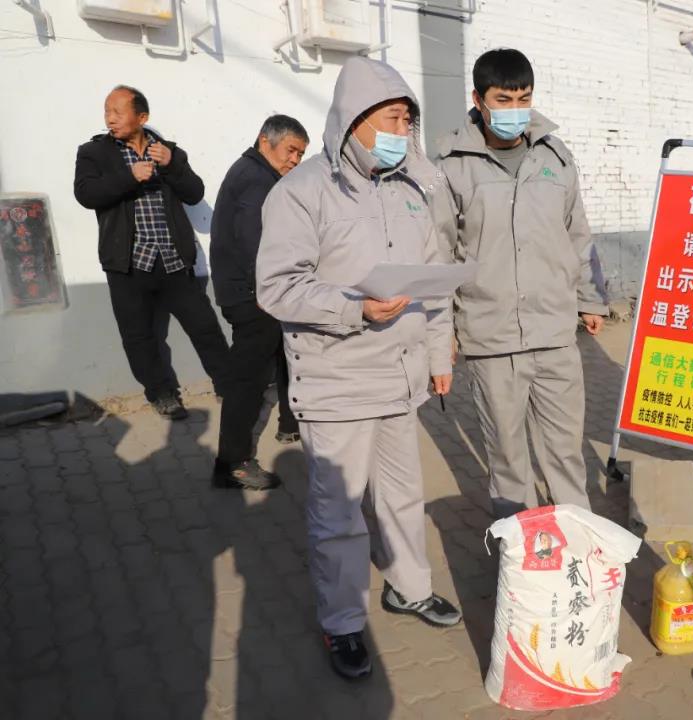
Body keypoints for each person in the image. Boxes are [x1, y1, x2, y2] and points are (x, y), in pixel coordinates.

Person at [256, 57, 462, 681]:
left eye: (408, 119)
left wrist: (437, 352)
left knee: (403, 495)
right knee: (339, 515)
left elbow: (431, 281)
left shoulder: (410, 190)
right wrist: (353, 308)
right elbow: (277, 287)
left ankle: (408, 586)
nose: (403, 129)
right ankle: (343, 622)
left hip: (400, 377)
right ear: (354, 120)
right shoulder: (300, 191)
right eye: (393, 117)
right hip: (337, 381)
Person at [435, 48, 608, 520]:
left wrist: (591, 299)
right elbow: (441, 253)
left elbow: (578, 233)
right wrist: (441, 332)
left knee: (565, 455)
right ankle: (526, 568)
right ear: (479, 98)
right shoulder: (452, 166)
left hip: (554, 333)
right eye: (504, 99)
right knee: (508, 462)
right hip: (492, 339)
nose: (515, 109)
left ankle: (577, 559)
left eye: (524, 98)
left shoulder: (555, 156)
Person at [75, 85, 229, 419]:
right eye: (107, 112)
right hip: (128, 264)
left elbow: (194, 192)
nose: (110, 119)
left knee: (204, 326)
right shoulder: (94, 153)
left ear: (141, 117)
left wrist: (172, 165)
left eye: (117, 112)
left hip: (174, 260)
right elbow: (86, 194)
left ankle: (228, 386)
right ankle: (161, 395)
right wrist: (129, 176)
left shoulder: (168, 151)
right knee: (139, 335)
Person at [209, 115, 309, 491]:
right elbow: (256, 244)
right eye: (291, 150)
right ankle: (232, 463)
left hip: (252, 294)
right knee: (247, 383)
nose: (295, 160)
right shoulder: (255, 179)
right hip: (254, 298)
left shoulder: (255, 174)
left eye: (301, 153)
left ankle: (289, 423)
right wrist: (273, 291)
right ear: (265, 141)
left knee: (282, 356)